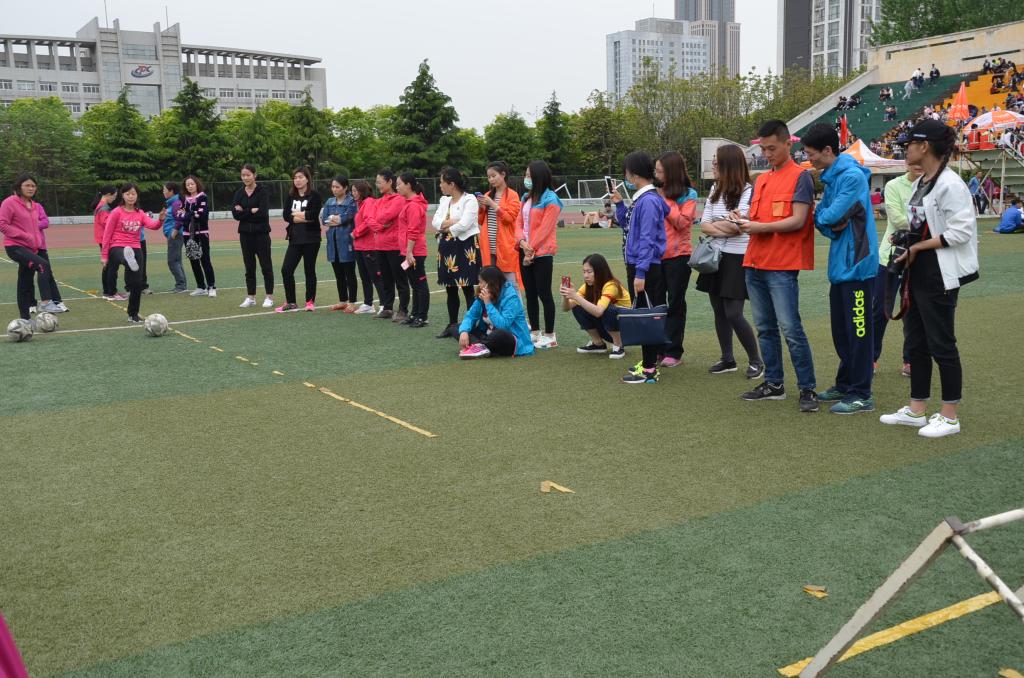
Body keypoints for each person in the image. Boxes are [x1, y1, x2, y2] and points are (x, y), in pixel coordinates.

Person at [880, 119, 978, 438]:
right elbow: (921, 226)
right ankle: (916, 409)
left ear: (924, 147)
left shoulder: (950, 184)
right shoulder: (922, 181)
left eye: (910, 144)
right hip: (917, 270)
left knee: (941, 343)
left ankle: (949, 416)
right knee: (916, 342)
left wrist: (918, 246)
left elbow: (961, 232)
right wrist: (908, 242)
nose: (905, 149)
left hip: (939, 273)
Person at [734, 120, 819, 412]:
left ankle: (807, 388)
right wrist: (742, 220)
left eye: (771, 148)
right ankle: (773, 383)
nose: (767, 154)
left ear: (787, 144)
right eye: (763, 149)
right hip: (755, 262)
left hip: (782, 265)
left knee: (791, 329)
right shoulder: (761, 180)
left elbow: (798, 220)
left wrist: (757, 226)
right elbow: (760, 218)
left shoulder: (801, 177)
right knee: (765, 329)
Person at [802, 123, 879, 415]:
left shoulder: (850, 177)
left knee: (859, 333)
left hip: (857, 265)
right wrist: (825, 219)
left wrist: (824, 218)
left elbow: (829, 215)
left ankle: (862, 393)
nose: (810, 159)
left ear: (827, 150)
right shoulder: (832, 178)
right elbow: (825, 223)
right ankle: (846, 384)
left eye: (812, 154)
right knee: (842, 332)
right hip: (841, 265)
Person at [695, 144, 763, 378]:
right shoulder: (715, 188)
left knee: (733, 312)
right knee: (718, 310)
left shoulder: (747, 190)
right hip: (715, 256)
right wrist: (726, 225)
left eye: (717, 160)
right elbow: (704, 225)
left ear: (729, 164)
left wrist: (722, 226)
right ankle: (728, 359)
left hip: (737, 256)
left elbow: (738, 227)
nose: (713, 164)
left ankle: (756, 361)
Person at [612, 151, 669, 384]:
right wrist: (619, 204)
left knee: (646, 316)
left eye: (627, 172)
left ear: (634, 174)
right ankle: (648, 363)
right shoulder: (643, 199)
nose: (625, 177)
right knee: (645, 313)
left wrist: (641, 271)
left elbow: (647, 238)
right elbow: (627, 225)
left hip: (645, 265)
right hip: (639, 264)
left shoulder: (648, 201)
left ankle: (649, 369)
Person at [878, 165, 924, 377]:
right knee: (880, 310)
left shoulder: (933, 186)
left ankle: (910, 360)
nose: (919, 163)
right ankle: (871, 359)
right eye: (913, 157)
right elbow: (897, 220)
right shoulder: (894, 185)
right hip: (890, 256)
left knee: (913, 312)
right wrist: (928, 224)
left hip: (921, 257)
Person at [654, 151, 697, 368]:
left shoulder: (688, 194)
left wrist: (664, 200)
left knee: (675, 304)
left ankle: (673, 351)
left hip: (678, 257)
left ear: (671, 172)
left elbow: (682, 223)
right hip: (655, 256)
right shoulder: (654, 192)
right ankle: (658, 347)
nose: (656, 175)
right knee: (657, 304)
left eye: (660, 171)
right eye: (655, 171)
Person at [514, 160, 563, 349]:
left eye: (529, 175)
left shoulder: (551, 199)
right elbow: (518, 223)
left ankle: (550, 335)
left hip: (542, 253)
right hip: (525, 250)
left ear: (538, 177)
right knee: (530, 293)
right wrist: (522, 243)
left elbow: (545, 229)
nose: (526, 178)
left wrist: (531, 249)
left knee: (544, 293)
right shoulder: (525, 198)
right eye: (525, 175)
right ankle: (535, 331)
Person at [100, 183, 162, 323]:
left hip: (135, 247)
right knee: (124, 255)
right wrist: (104, 256)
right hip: (117, 246)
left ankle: (133, 314)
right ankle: (127, 259)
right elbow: (107, 234)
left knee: (137, 284)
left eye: (133, 194)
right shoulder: (116, 212)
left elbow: (153, 226)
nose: (130, 196)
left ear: (137, 196)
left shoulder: (140, 213)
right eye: (128, 194)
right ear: (123, 195)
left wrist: (161, 219)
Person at [433, 167, 481, 338]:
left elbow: (465, 224)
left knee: (467, 287)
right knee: (450, 288)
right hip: (446, 248)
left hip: (465, 247)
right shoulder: (444, 200)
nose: (440, 185)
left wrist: (446, 226)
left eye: (442, 182)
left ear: (451, 184)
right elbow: (435, 222)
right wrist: (453, 221)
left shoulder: (470, 200)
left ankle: (470, 326)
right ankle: (452, 324)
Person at [0, 174, 54, 320]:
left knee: (24, 282)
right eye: (27, 185)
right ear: (19, 187)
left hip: (31, 248)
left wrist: (35, 241)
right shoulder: (9, 202)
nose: (31, 188)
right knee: (43, 265)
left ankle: (25, 319)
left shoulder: (34, 205)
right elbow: (2, 224)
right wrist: (25, 236)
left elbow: (36, 227)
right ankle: (46, 302)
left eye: (33, 186)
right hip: (15, 247)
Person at [559, 253, 629, 359]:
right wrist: (566, 296)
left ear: (600, 271)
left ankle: (618, 345)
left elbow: (599, 312)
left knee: (607, 309)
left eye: (589, 272)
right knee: (577, 307)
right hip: (608, 327)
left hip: (626, 332)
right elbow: (566, 308)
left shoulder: (611, 285)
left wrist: (575, 296)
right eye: (584, 272)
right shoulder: (587, 286)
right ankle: (598, 344)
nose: (586, 275)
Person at [457, 265, 534, 358]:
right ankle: (482, 347)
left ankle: (479, 346)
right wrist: (463, 332)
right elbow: (470, 316)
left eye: (481, 282)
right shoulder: (483, 294)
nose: (479, 285)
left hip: (513, 340)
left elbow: (503, 325)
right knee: (457, 328)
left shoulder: (511, 297)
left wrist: (488, 303)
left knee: (499, 334)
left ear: (490, 284)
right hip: (488, 335)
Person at [366, 169, 410, 322]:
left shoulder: (399, 199)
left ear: (390, 182)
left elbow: (386, 216)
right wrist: (380, 226)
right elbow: (370, 218)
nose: (377, 185)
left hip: (395, 246)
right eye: (376, 182)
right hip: (379, 246)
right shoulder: (379, 201)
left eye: (380, 182)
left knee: (400, 279)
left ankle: (403, 310)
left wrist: (378, 222)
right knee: (385, 279)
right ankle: (387, 307)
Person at [276, 166, 322, 312]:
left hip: (311, 239)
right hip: (295, 238)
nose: (297, 180)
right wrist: (302, 216)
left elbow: (313, 215)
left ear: (307, 179)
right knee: (286, 270)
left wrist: (296, 214)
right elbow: (286, 216)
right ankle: (291, 302)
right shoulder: (291, 195)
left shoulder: (314, 195)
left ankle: (310, 301)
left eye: (301, 177)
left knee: (309, 270)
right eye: (295, 178)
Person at [232, 164, 274, 309]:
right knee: (249, 267)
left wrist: (244, 211)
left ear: (255, 175)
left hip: (261, 234)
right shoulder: (239, 193)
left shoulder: (263, 192)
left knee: (266, 266)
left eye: (248, 175)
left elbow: (262, 213)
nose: (245, 178)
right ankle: (251, 297)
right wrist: (251, 211)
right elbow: (235, 214)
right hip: (245, 235)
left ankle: (269, 296)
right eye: (243, 175)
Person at [477, 161, 522, 286]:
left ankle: (513, 301)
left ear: (503, 174)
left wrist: (492, 204)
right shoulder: (487, 195)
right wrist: (481, 207)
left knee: (510, 284)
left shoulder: (512, 195)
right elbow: (480, 221)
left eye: (493, 176)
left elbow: (509, 218)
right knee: (491, 284)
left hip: (505, 247)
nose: (491, 179)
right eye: (489, 177)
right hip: (488, 247)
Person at [396, 173, 430, 327]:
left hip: (415, 252)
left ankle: (422, 316)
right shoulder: (408, 203)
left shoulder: (414, 205)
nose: (397, 187)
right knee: (415, 284)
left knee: (420, 284)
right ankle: (415, 314)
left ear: (408, 185)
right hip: (408, 251)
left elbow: (413, 230)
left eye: (399, 184)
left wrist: (409, 252)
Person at [321, 175, 358, 311]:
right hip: (333, 243)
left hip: (346, 242)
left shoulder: (351, 202)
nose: (334, 189)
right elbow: (324, 220)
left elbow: (347, 217)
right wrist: (337, 219)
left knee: (350, 273)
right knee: (338, 274)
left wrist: (337, 219)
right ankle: (343, 300)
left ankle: (352, 302)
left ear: (345, 188)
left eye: (337, 187)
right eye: (333, 187)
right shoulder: (329, 201)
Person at [179, 175, 216, 297]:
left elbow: (201, 215)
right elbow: (179, 215)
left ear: (197, 184)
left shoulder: (202, 197)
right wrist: (190, 214)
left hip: (201, 233)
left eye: (192, 184)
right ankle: (201, 286)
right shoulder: (183, 199)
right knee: (193, 260)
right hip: (187, 234)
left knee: (205, 260)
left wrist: (188, 213)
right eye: (187, 184)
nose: (190, 186)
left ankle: (211, 286)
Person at [32, 199, 69, 313]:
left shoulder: (37, 206)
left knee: (47, 272)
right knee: (26, 275)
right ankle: (30, 304)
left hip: (40, 246)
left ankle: (57, 301)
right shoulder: (14, 207)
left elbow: (45, 222)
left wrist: (31, 225)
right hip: (24, 247)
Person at [350, 180, 379, 314]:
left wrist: (355, 233)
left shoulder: (369, 202)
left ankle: (384, 305)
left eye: (355, 191)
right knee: (364, 276)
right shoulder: (360, 204)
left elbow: (368, 222)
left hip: (369, 246)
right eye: (352, 191)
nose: (353, 193)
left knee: (375, 276)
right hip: (360, 246)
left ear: (362, 191)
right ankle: (368, 303)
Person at [93, 185, 122, 300]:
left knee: (108, 266)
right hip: (106, 240)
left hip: (102, 239)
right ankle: (112, 292)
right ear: (108, 195)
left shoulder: (101, 206)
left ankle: (107, 291)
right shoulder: (104, 208)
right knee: (112, 267)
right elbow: (108, 225)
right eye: (114, 196)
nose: (114, 198)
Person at [161, 182, 188, 293]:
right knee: (177, 260)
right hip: (174, 235)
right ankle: (182, 285)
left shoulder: (176, 203)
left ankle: (181, 285)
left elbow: (180, 219)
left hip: (175, 235)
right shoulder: (173, 202)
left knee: (172, 261)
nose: (163, 192)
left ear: (171, 191)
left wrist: (174, 232)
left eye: (164, 190)